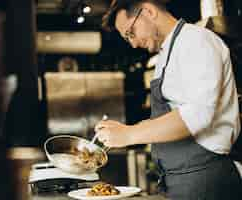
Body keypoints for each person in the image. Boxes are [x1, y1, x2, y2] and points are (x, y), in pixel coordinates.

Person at [95, 0, 242, 199]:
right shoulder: (166, 52)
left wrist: (129, 134)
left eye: (131, 32)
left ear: (148, 11)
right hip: (181, 178)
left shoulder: (196, 41)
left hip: (205, 179)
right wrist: (122, 130)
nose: (133, 43)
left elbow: (197, 115)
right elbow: (175, 112)